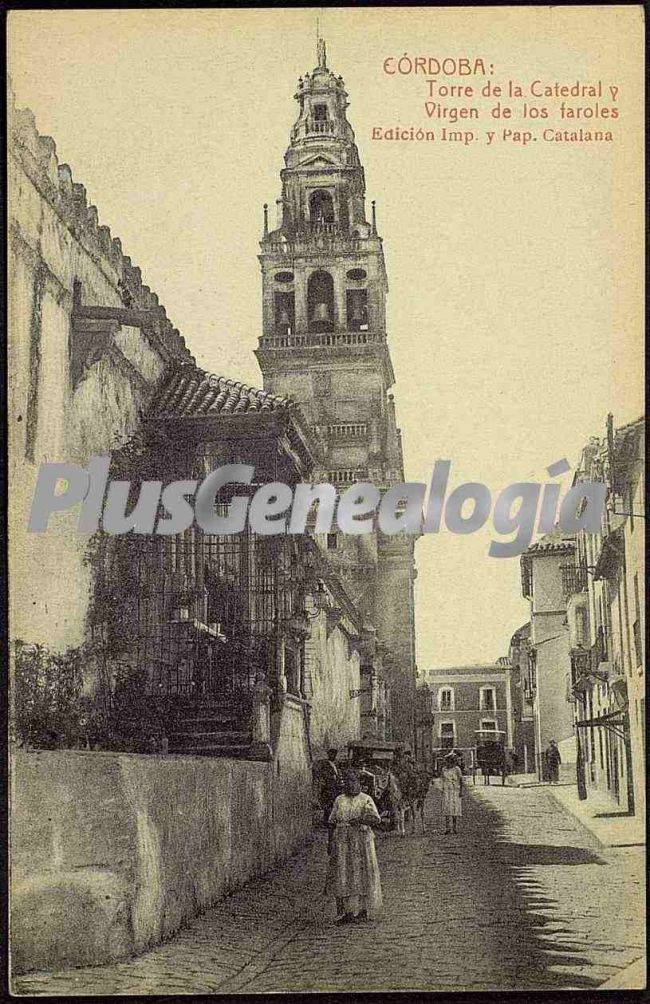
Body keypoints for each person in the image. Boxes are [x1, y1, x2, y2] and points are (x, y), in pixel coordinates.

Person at [326, 768, 383, 924]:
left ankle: (363, 909)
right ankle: (348, 912)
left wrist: (361, 820)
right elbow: (331, 822)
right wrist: (330, 842)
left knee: (361, 873)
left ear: (359, 783)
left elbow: (376, 819)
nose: (349, 785)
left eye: (353, 781)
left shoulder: (365, 799)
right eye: (346, 781)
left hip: (361, 842)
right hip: (343, 842)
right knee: (344, 874)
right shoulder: (339, 800)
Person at [440, 751, 464, 834]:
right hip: (446, 790)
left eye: (449, 762)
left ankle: (454, 827)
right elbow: (441, 779)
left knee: (454, 809)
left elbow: (461, 781)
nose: (447, 763)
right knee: (446, 808)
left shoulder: (457, 769)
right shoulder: (443, 769)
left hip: (454, 790)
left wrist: (461, 791)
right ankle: (447, 828)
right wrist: (442, 788)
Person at [319, 748, 342, 826]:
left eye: (334, 754)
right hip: (327, 787)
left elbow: (339, 773)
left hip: (335, 787)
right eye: (330, 754)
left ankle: (333, 820)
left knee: (335, 804)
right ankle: (326, 821)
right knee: (327, 805)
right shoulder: (325, 763)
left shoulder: (337, 763)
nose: (332, 755)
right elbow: (323, 774)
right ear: (328, 754)